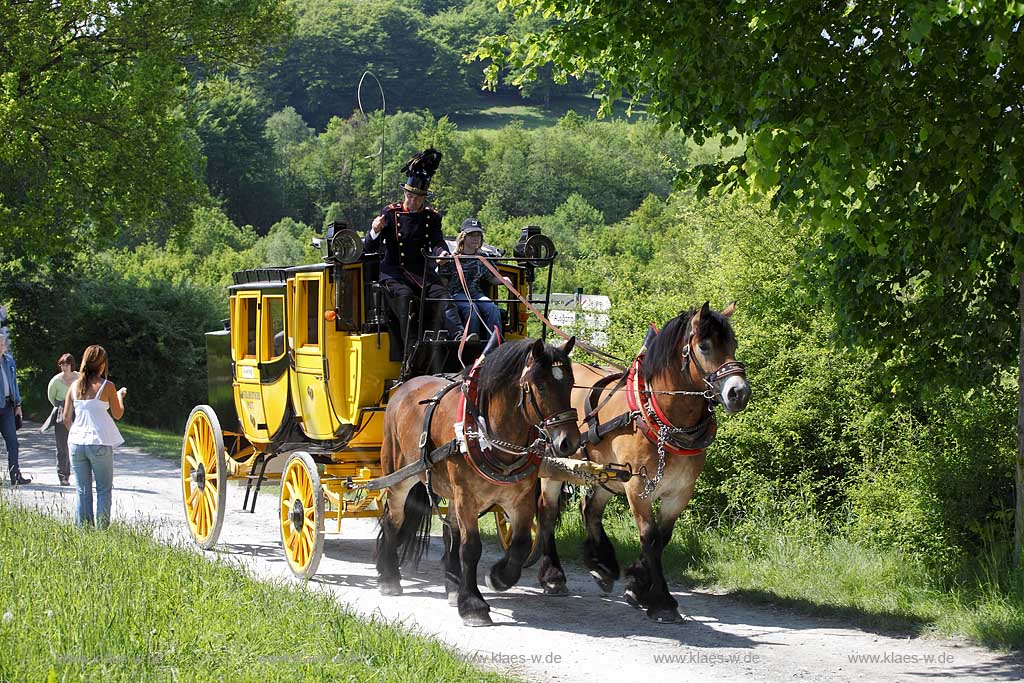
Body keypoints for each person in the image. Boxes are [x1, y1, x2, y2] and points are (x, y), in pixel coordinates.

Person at [364, 147, 460, 357]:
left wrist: (442, 254)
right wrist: (375, 230)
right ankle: (412, 352)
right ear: (404, 193)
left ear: (424, 197)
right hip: (394, 273)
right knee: (406, 298)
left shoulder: (431, 217)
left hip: (421, 272)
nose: (414, 201)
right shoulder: (390, 213)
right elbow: (369, 247)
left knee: (443, 296)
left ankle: (460, 338)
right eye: (410, 196)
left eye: (418, 198)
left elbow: (437, 240)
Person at [63, 345, 126, 528]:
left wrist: (76, 433)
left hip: (76, 442)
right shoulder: (108, 387)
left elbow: (66, 417)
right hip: (99, 442)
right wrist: (119, 396)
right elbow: (118, 414)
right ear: (101, 365)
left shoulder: (74, 386)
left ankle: (84, 530)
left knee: (82, 489)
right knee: (103, 489)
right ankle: (102, 530)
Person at [445, 218, 507, 341]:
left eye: (478, 235)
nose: (475, 238)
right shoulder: (453, 258)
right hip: (457, 293)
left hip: (476, 293)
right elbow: (444, 281)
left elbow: (491, 278)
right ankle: (472, 341)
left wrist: (504, 280)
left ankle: (495, 343)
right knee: (471, 308)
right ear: (464, 237)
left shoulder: (483, 258)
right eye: (472, 235)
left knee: (493, 309)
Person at [0, 333, 29, 485]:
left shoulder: (9, 360)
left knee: (13, 443)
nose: (1, 347)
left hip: (8, 406)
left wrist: (18, 405)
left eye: (2, 344)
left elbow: (14, 384)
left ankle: (15, 475)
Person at [46, 353, 79, 486]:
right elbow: (51, 397)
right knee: (62, 445)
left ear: (72, 365)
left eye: (67, 364)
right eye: (62, 365)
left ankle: (80, 474)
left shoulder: (79, 377)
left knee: (78, 444)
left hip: (77, 409)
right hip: (61, 410)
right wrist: (61, 407)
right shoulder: (56, 380)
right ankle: (63, 475)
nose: (64, 367)